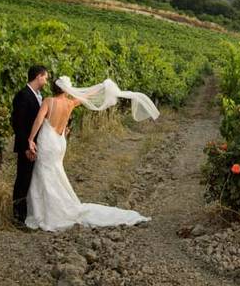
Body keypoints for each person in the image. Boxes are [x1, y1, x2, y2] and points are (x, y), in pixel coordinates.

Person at [24, 75, 158, 232]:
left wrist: (31, 139)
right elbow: (86, 96)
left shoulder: (48, 101)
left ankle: (46, 212)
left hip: (48, 141)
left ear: (54, 89)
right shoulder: (70, 103)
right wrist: (101, 86)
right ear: (67, 89)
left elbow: (39, 120)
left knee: (45, 173)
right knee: (56, 172)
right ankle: (56, 207)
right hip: (60, 142)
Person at [10, 64, 48, 225]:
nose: (46, 80)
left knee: (30, 180)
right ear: (38, 76)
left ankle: (28, 213)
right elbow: (18, 124)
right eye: (45, 77)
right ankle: (18, 217)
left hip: (36, 145)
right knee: (23, 180)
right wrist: (27, 145)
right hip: (27, 146)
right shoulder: (23, 95)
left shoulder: (38, 95)